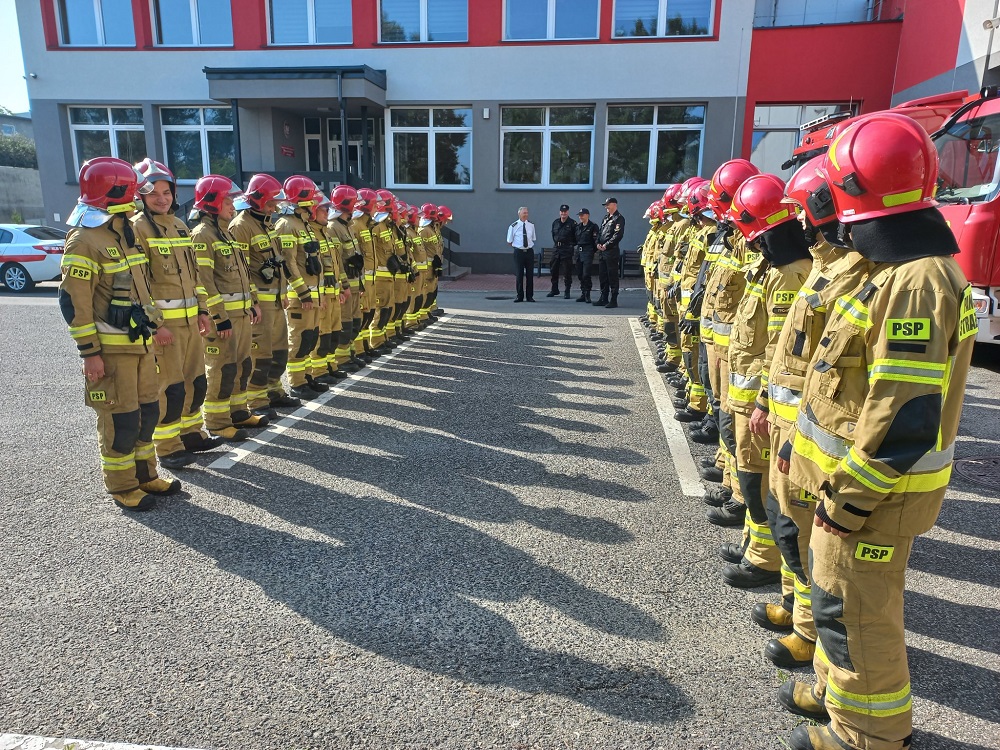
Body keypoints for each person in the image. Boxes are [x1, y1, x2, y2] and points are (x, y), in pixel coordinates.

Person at [778, 113, 976, 750]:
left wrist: (849, 498)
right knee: (835, 604)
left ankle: (869, 734)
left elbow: (903, 414)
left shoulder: (917, 282)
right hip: (855, 487)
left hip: (875, 496)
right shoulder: (896, 269)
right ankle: (837, 698)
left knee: (859, 614)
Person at [59, 156, 177, 511]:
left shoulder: (123, 233)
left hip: (139, 346)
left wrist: (155, 327)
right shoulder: (85, 239)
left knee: (147, 412)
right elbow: (73, 303)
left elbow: (141, 293)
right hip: (111, 353)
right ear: (118, 193)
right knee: (120, 418)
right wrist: (89, 353)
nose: (142, 198)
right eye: (135, 191)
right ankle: (123, 486)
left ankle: (146, 475)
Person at [724, 173, 812, 590]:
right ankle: (755, 544)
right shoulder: (773, 266)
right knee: (751, 471)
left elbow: (780, 347)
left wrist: (761, 399)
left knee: (763, 480)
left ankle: (764, 558)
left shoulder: (790, 273)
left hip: (769, 403)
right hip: (750, 395)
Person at [131, 158, 221, 469]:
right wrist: (156, 326)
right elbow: (137, 284)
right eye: (153, 192)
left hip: (190, 322)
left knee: (195, 381)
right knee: (168, 388)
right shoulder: (137, 228)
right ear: (140, 195)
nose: (161, 198)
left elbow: (195, 276)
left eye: (166, 192)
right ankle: (167, 446)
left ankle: (192, 434)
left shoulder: (180, 226)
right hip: (166, 327)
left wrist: (203, 311)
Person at [192, 175, 264, 439]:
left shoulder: (226, 234)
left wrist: (253, 303)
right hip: (225, 318)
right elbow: (204, 282)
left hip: (241, 314)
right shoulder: (203, 236)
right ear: (212, 203)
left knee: (241, 365)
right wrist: (218, 317)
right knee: (221, 369)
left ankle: (238, 413)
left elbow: (244, 275)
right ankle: (218, 422)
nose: (233, 206)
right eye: (228, 201)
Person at [228, 173, 300, 419]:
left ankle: (274, 390)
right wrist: (253, 302)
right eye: (271, 202)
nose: (275, 206)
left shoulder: (267, 223)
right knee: (260, 354)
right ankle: (257, 400)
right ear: (258, 199)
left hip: (277, 299)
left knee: (278, 351)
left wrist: (285, 292)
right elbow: (242, 269)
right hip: (261, 303)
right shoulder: (241, 226)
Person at [275, 175, 327, 399]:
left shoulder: (303, 224)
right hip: (301, 296)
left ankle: (307, 377)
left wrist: (319, 293)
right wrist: (304, 294)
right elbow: (288, 263)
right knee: (299, 339)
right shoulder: (287, 225)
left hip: (312, 294)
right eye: (313, 199)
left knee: (311, 337)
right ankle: (296, 382)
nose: (316, 204)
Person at [594, 197, 625, 308]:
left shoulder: (619, 218)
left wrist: (606, 245)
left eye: (608, 204)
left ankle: (613, 299)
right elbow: (600, 233)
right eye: (605, 205)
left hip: (611, 251)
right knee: (603, 275)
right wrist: (597, 243)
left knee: (612, 276)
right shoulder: (605, 218)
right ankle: (603, 298)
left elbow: (618, 235)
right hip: (602, 252)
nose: (606, 207)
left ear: (614, 205)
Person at [507, 206, 536, 302]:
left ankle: (529, 296)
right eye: (524, 213)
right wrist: (518, 247)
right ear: (519, 214)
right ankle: (519, 296)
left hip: (529, 251)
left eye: (527, 213)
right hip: (519, 252)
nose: (526, 215)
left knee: (530, 274)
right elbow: (509, 241)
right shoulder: (513, 226)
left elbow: (533, 238)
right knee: (519, 274)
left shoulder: (531, 225)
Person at [549, 204, 576, 298]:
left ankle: (567, 291)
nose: (563, 213)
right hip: (556, 249)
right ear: (560, 212)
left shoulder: (572, 223)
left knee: (567, 271)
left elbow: (575, 238)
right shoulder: (555, 222)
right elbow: (553, 235)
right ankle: (554, 289)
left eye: (565, 211)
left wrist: (569, 246)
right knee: (553, 270)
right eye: (562, 212)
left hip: (566, 250)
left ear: (568, 212)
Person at [574, 208, 599, 302]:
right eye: (579, 215)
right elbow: (575, 239)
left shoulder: (593, 226)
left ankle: (587, 293)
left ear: (587, 215)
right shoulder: (578, 226)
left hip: (588, 252)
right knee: (580, 273)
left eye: (582, 215)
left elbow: (596, 240)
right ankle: (583, 293)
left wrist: (592, 250)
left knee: (586, 274)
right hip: (579, 252)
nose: (580, 217)